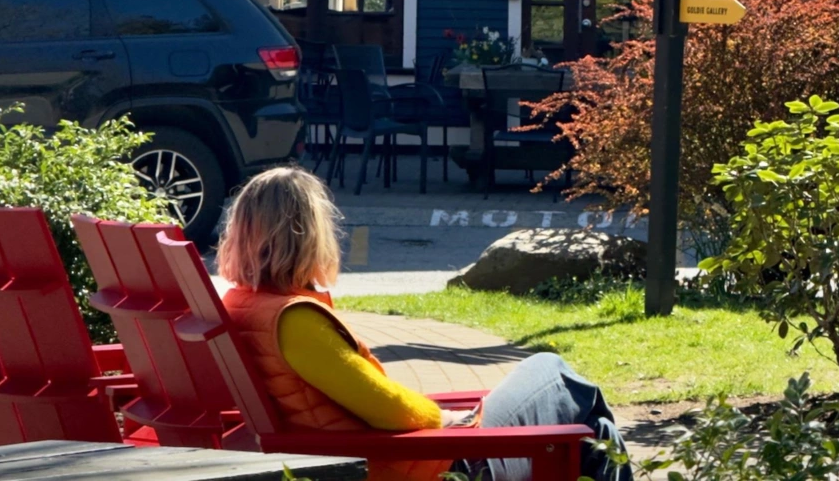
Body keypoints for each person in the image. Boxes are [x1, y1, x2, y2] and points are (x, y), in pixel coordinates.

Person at [216, 167, 632, 481]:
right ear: (308, 235)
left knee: (596, 433)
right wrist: (447, 419)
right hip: (438, 465)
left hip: (400, 458)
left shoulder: (244, 304)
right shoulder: (294, 321)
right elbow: (391, 411)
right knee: (552, 371)